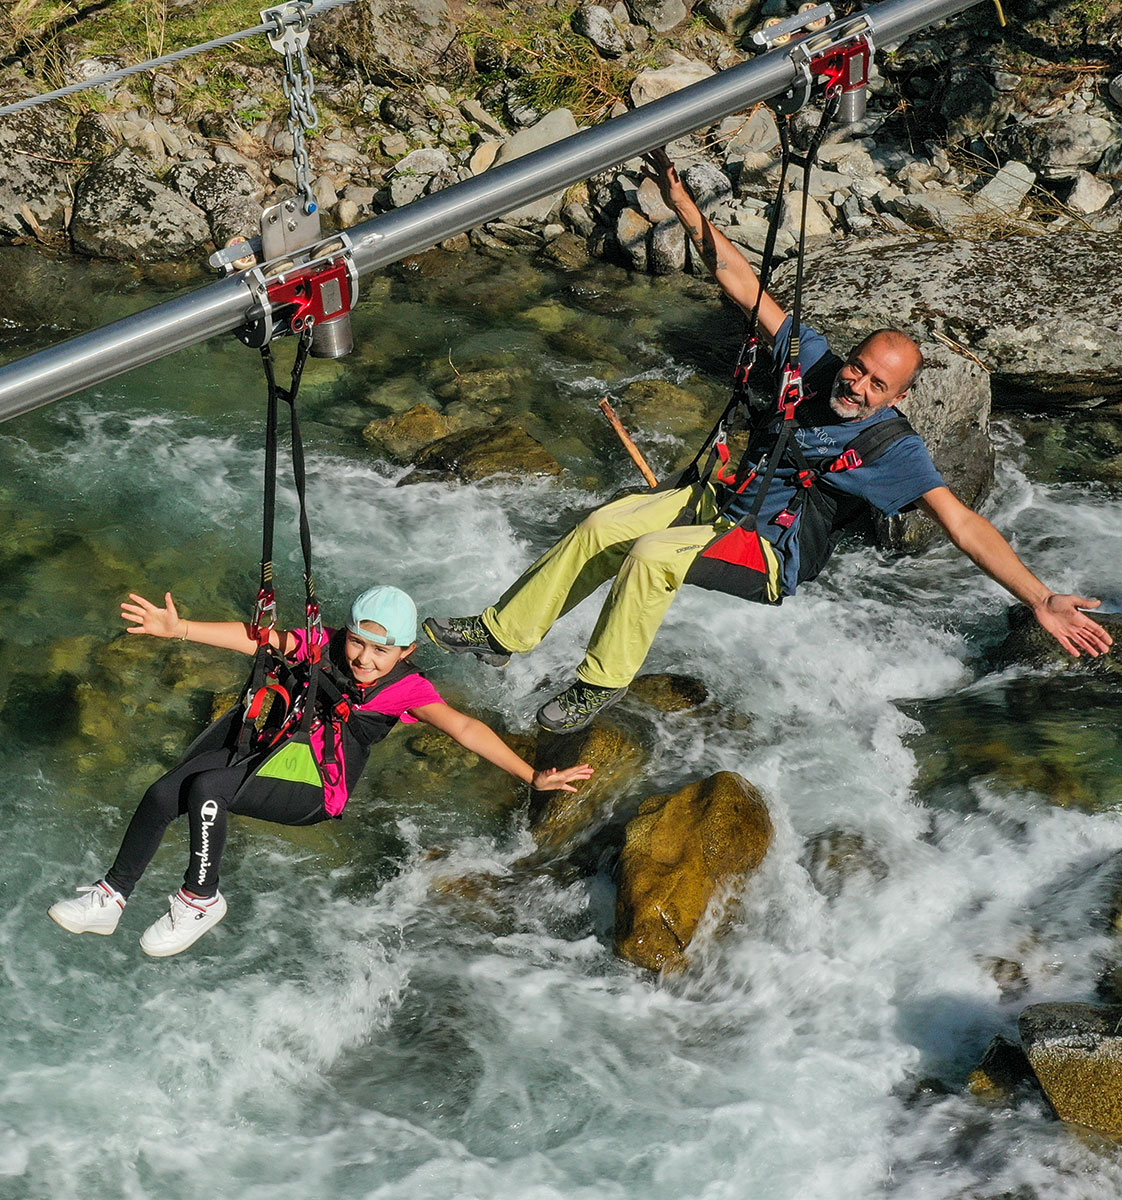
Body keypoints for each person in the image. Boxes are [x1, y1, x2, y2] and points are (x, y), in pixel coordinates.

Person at [423, 150, 1113, 733]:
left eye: (876, 385)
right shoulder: (813, 364)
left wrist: (1038, 595)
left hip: (770, 550)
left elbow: (963, 525)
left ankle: (598, 683)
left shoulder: (893, 449)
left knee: (652, 556)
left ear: (898, 398)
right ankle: (503, 634)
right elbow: (740, 282)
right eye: (858, 368)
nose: (858, 386)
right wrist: (685, 205)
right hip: (720, 503)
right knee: (605, 523)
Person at [48, 584, 592, 957]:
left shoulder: (407, 688)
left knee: (208, 788)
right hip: (273, 753)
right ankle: (111, 897)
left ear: (404, 651)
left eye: (382, 650)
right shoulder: (323, 645)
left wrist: (532, 775)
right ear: (346, 633)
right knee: (168, 790)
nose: (364, 659)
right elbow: (256, 638)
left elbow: (465, 729)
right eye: (358, 642)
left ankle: (200, 899)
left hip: (315, 788)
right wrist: (180, 628)